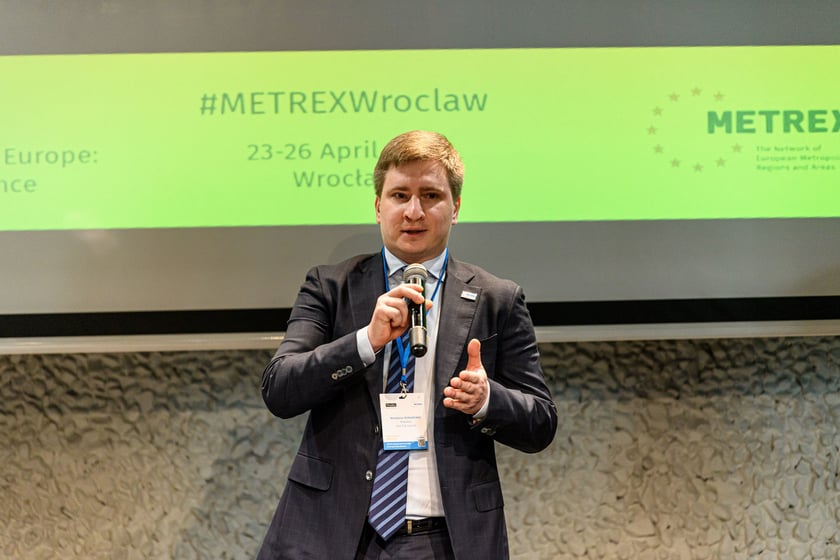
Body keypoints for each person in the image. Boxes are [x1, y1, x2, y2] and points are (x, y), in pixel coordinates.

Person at [257, 130, 557, 559]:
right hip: (332, 534)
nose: (414, 211)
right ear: (378, 206)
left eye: (431, 196)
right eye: (400, 195)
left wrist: (487, 400)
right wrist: (366, 341)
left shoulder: (497, 298)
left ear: (456, 208)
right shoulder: (330, 286)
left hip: (444, 541)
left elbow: (540, 422)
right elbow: (280, 389)